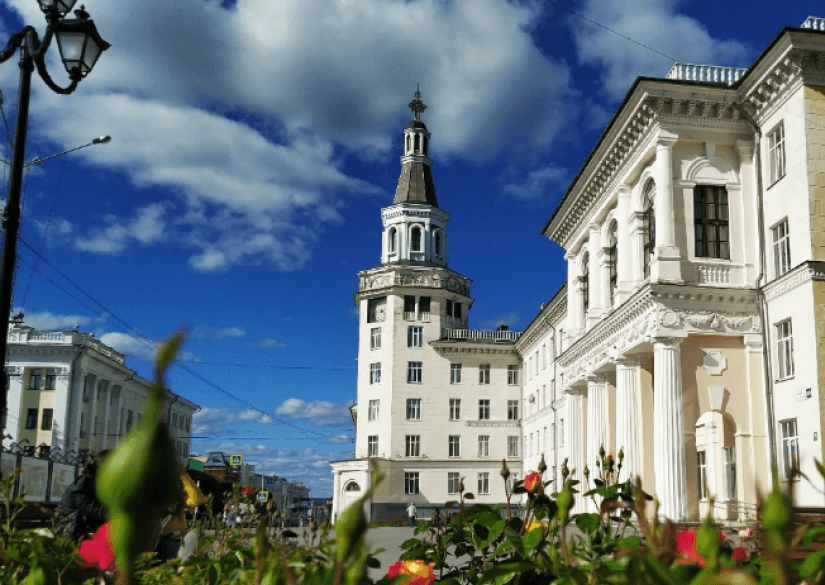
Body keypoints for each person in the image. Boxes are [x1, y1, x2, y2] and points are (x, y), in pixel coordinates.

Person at [56, 452, 110, 541]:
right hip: (72, 534)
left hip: (86, 529)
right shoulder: (82, 485)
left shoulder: (98, 483)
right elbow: (95, 510)